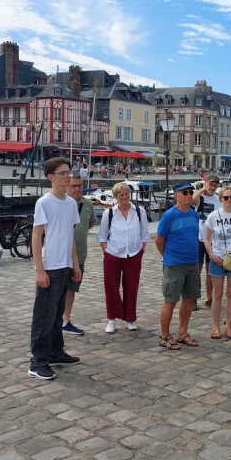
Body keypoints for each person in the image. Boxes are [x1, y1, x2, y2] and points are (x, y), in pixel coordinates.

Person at [28, 158, 82, 380]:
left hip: (65, 265)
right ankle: (37, 362)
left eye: (68, 172)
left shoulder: (70, 203)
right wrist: (39, 270)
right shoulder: (44, 202)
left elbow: (69, 236)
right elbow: (36, 236)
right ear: (51, 177)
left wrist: (75, 264)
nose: (68, 176)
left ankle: (56, 352)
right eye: (63, 173)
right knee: (43, 316)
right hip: (50, 266)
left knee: (57, 315)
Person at [97, 183, 150, 333]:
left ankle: (129, 318)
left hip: (133, 254)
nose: (125, 197)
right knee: (111, 288)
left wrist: (141, 251)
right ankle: (112, 319)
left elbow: (144, 234)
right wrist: (106, 252)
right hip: (113, 254)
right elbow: (102, 235)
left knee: (131, 288)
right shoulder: (110, 213)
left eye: (127, 193)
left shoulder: (139, 211)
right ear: (116, 197)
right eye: (121, 195)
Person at [155, 181, 201, 350]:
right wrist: (168, 256)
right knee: (171, 301)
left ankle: (183, 332)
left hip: (192, 263)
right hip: (174, 264)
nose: (189, 195)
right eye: (185, 192)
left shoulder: (194, 215)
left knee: (189, 299)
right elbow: (159, 240)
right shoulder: (169, 216)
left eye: (191, 192)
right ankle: (165, 335)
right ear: (176, 196)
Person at [204, 186, 231, 339]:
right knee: (217, 294)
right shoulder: (213, 216)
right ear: (220, 199)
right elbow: (207, 239)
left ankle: (228, 326)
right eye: (226, 197)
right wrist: (211, 256)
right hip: (218, 258)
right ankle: (216, 326)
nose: (229, 200)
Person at [62, 174, 98, 335]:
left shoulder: (88, 204)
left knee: (71, 289)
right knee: (56, 289)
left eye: (79, 185)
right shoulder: (59, 203)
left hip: (80, 255)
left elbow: (90, 223)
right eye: (73, 186)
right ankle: (54, 320)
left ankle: (66, 320)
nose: (77, 189)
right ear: (65, 187)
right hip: (60, 256)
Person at [192, 173, 221, 309]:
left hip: (213, 240)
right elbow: (192, 201)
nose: (213, 187)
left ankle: (209, 297)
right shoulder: (200, 197)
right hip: (199, 238)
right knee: (196, 269)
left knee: (211, 271)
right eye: (211, 184)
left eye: (215, 185)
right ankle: (193, 297)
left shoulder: (218, 200)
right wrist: (204, 189)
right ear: (205, 183)